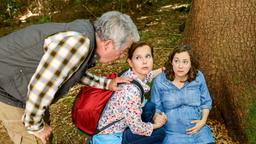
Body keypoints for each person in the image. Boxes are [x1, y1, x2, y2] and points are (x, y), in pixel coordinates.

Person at [0, 11, 139, 144]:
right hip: (7, 84)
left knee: (43, 132)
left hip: (20, 81)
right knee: (34, 139)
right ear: (108, 44)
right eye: (123, 51)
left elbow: (67, 71)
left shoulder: (85, 36)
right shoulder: (77, 43)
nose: (122, 56)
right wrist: (36, 126)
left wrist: (106, 83)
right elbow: (41, 88)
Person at [91, 42, 167, 144]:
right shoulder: (131, 92)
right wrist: (158, 125)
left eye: (147, 56)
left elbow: (148, 75)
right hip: (111, 137)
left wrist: (162, 70)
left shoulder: (130, 74)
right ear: (130, 62)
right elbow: (137, 128)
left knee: (149, 107)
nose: (144, 61)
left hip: (118, 124)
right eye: (138, 58)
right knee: (160, 133)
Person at [151, 44, 215, 144]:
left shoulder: (198, 77)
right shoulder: (160, 81)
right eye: (176, 61)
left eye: (185, 62)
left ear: (191, 64)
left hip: (198, 132)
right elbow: (155, 108)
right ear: (171, 62)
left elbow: (206, 102)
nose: (180, 66)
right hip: (172, 134)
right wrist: (157, 117)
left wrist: (203, 121)